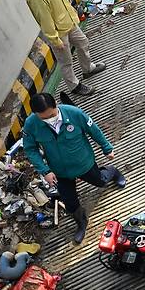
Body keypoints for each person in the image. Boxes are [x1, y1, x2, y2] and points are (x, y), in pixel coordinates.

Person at [23, 93, 126, 244]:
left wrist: (106, 148)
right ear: (36, 114)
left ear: (56, 105)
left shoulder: (74, 113)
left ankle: (112, 171)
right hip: (59, 171)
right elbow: (30, 149)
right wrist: (44, 170)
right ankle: (81, 222)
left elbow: (93, 130)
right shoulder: (31, 124)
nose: (49, 120)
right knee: (70, 202)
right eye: (43, 118)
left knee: (101, 181)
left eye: (51, 115)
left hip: (83, 163)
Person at [21, 0, 106, 96]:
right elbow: (44, 19)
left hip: (68, 21)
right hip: (58, 33)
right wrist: (55, 40)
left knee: (83, 43)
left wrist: (72, 14)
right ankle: (74, 86)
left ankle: (88, 69)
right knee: (66, 62)